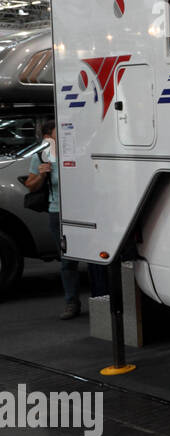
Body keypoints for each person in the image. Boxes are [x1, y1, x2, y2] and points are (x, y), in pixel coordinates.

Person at [23, 121, 81, 319]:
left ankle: (102, 296)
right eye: (58, 131)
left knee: (96, 259)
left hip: (82, 210)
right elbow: (31, 186)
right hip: (57, 212)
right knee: (67, 260)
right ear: (49, 137)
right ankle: (71, 301)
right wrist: (41, 174)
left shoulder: (77, 151)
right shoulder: (40, 156)